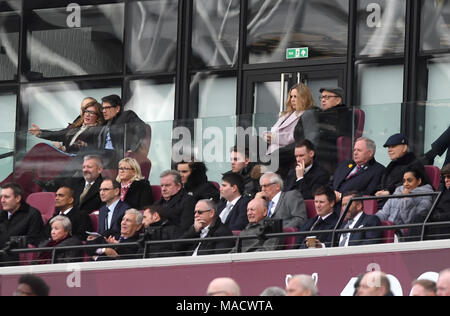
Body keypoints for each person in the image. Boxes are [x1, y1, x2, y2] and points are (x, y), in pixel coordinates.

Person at [265, 84, 319, 178]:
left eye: (295, 97)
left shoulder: (306, 115)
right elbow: (274, 130)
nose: (292, 99)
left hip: (285, 154)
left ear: (304, 98)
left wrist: (275, 138)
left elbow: (296, 136)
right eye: (291, 96)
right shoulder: (286, 114)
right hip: (270, 151)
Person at [29, 98, 103, 154]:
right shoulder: (77, 126)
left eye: (91, 112)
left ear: (98, 117)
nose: (87, 114)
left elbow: (89, 147)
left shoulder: (98, 131)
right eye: (86, 111)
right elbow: (59, 134)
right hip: (67, 158)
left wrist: (64, 148)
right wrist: (40, 133)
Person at [97, 94, 148, 169]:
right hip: (102, 155)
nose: (104, 111)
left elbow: (142, 128)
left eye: (107, 108)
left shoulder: (127, 116)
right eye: (103, 108)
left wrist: (132, 148)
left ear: (117, 108)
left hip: (117, 155)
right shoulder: (103, 125)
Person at [0, 183, 43, 264]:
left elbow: (33, 242)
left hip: (19, 264)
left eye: (6, 197)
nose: (2, 200)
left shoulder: (32, 214)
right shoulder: (1, 215)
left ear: (17, 198)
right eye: (1, 197)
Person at [333, 137, 385, 203]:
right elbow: (332, 183)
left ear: (370, 153)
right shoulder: (345, 165)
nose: (355, 153)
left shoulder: (378, 170)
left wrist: (342, 196)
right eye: (354, 150)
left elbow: (369, 193)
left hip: (350, 207)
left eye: (359, 150)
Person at [316, 87, 354, 174]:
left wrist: (322, 131)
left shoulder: (346, 114)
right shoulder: (319, 114)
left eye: (327, 97)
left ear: (338, 100)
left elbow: (341, 133)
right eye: (322, 97)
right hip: (316, 149)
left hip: (330, 151)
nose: (323, 100)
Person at [155, 170, 197, 235]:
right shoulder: (157, 204)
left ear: (178, 186)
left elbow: (185, 228)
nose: (163, 189)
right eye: (162, 185)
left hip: (176, 242)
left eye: (167, 185)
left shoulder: (188, 201)